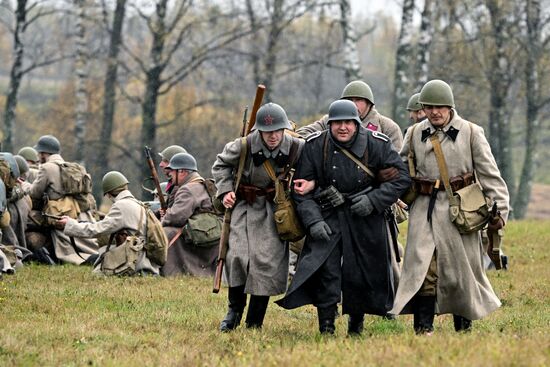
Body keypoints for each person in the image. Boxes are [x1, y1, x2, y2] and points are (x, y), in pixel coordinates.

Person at [276, 100, 410, 336]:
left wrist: (374, 201)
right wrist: (313, 221)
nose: (343, 127)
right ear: (330, 124)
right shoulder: (316, 146)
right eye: (337, 123)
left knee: (360, 273)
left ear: (357, 123)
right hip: (328, 214)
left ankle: (355, 327)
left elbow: (399, 180)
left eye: (348, 122)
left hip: (365, 217)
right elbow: (300, 191)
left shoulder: (377, 144)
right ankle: (326, 327)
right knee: (325, 272)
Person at [390, 79, 510, 334]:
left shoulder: (471, 132)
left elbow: (490, 176)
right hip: (424, 210)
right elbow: (398, 171)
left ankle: (463, 327)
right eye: (429, 106)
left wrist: (499, 212)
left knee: (461, 272)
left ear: (450, 107)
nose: (435, 112)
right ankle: (423, 329)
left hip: (462, 212)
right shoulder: (413, 134)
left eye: (440, 106)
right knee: (423, 270)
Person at [212, 102, 304, 332]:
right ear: (258, 131)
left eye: (277, 131)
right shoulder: (243, 145)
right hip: (244, 205)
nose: (272, 137)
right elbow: (221, 164)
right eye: (267, 131)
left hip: (276, 211)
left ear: (284, 129)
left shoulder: (297, 146)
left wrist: (306, 182)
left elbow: (312, 167)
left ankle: (255, 321)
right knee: (238, 257)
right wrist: (225, 191)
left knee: (266, 263)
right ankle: (233, 312)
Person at [57, 171, 160, 275]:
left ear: (109, 194)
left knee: (97, 273)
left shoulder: (121, 206)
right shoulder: (139, 204)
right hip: (144, 260)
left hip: (135, 263)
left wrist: (70, 224)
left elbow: (97, 230)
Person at [25, 135, 98, 265]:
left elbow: (35, 193)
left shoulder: (47, 168)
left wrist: (24, 185)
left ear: (43, 153)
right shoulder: (71, 166)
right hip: (75, 211)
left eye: (39, 153)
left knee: (25, 218)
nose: (38, 156)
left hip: (57, 214)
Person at [297, 80, 403, 151]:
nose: (353, 104)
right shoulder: (331, 121)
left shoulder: (388, 127)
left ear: (368, 104)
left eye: (358, 100)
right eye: (349, 100)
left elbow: (396, 160)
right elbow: (302, 134)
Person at [160, 152, 218, 277]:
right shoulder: (203, 184)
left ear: (183, 172)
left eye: (172, 171)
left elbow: (176, 217)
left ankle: (172, 272)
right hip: (211, 234)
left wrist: (161, 220)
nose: (170, 174)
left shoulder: (187, 189)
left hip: (199, 236)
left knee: (165, 232)